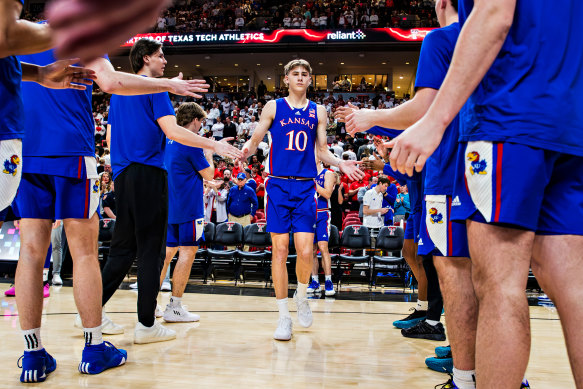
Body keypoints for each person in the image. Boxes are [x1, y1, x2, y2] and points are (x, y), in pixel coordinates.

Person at [389, 0, 581, 388]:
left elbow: (495, 12)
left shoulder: (441, 38)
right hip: (571, 122)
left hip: (508, 117)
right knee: (575, 290)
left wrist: (436, 121)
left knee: (500, 285)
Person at [101, 38, 241, 345]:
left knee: (123, 249)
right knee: (152, 251)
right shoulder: (155, 86)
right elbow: (173, 131)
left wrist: (121, 170)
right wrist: (213, 144)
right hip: (149, 173)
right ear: (146, 58)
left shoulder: (118, 91)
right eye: (160, 56)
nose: (164, 61)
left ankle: (92, 310)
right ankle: (147, 325)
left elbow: (111, 139)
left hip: (123, 175)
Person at [239, 59, 363, 341]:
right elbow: (257, 135)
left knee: (307, 252)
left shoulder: (318, 111)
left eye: (304, 74)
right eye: (294, 73)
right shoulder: (273, 106)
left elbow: (322, 151)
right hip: (279, 186)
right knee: (280, 251)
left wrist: (340, 164)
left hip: (306, 187)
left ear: (310, 80)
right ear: (286, 79)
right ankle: (283, 317)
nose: (299, 77)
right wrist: (245, 149)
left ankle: (303, 294)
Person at [159, 102, 216, 322]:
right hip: (188, 208)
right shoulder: (190, 143)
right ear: (195, 120)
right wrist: (209, 152)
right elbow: (209, 174)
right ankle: (174, 307)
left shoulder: (167, 140)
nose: (202, 126)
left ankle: (151, 304)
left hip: (168, 206)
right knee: (187, 253)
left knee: (165, 256)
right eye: (201, 122)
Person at [307, 162, 336, 296]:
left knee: (323, 247)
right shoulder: (306, 172)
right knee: (312, 250)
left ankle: (329, 281)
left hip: (323, 213)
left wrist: (313, 184)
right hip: (309, 213)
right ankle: (315, 281)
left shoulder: (328, 173)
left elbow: (327, 194)